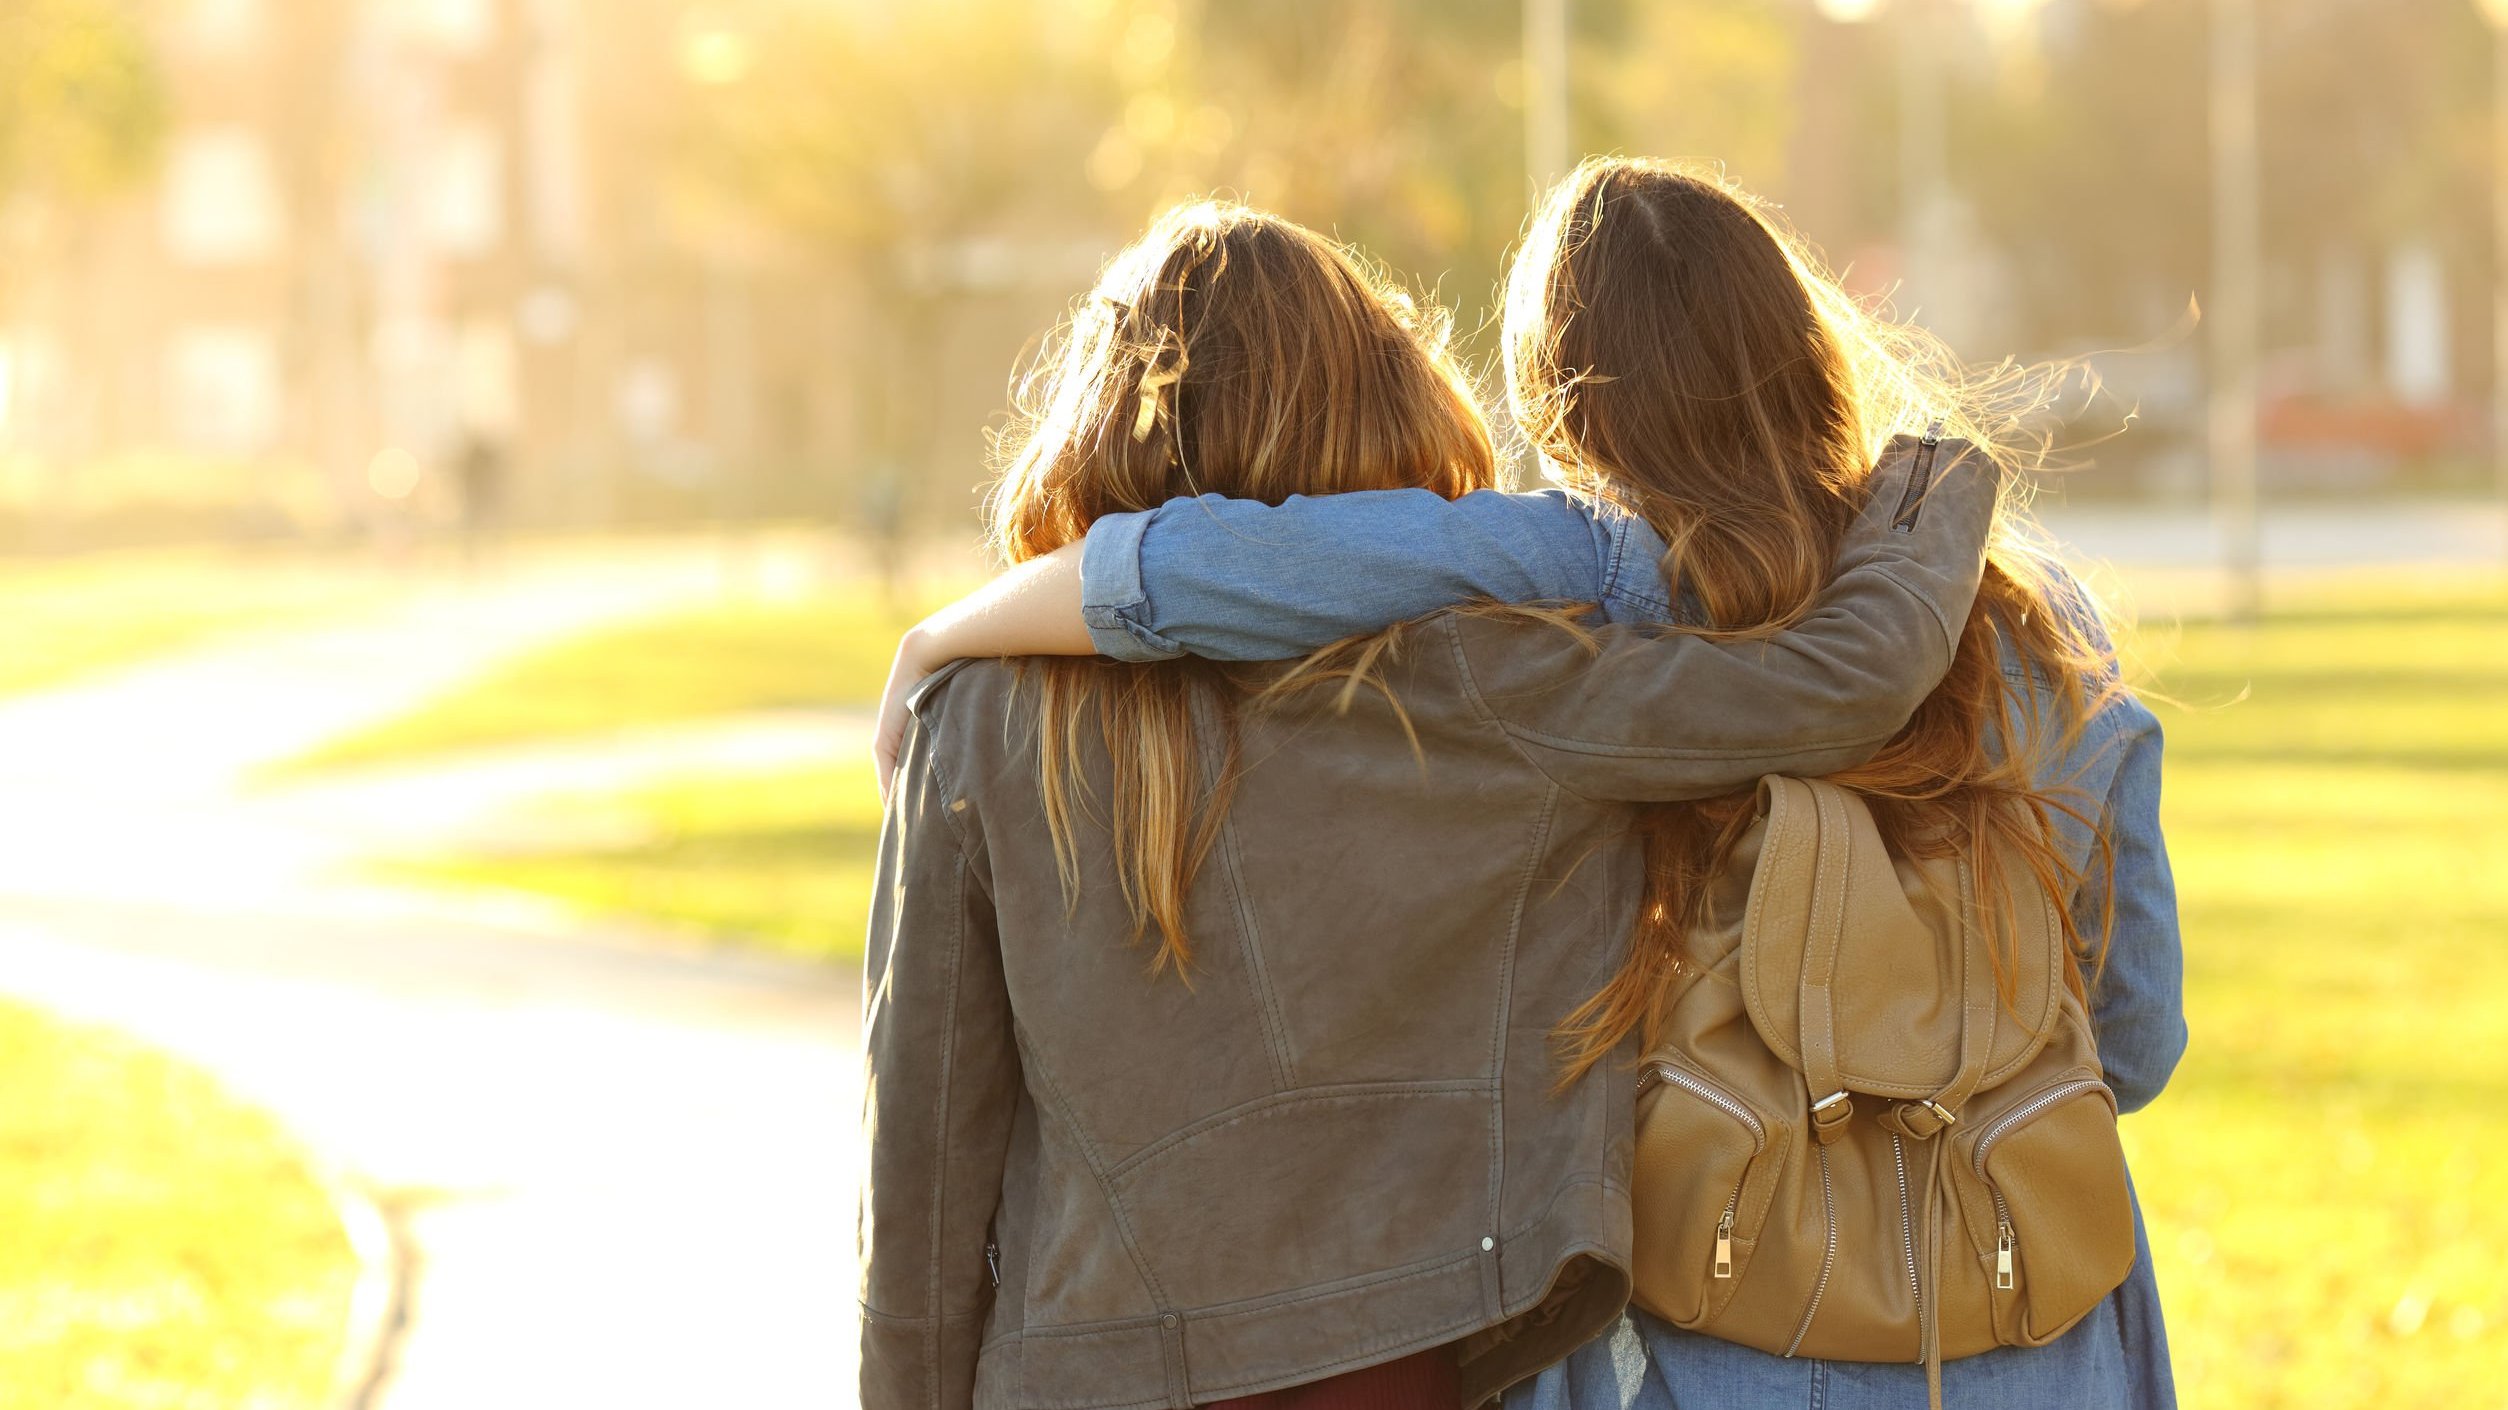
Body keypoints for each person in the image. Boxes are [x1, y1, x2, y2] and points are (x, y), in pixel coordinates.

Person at [874, 162, 2185, 1410]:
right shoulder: (2042, 628)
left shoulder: (1589, 585)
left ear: (1565, 409)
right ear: (1811, 348)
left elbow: (1270, 561)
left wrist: (962, 628)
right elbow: (2133, 1037)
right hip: (2039, 1315)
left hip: (1710, 1326)